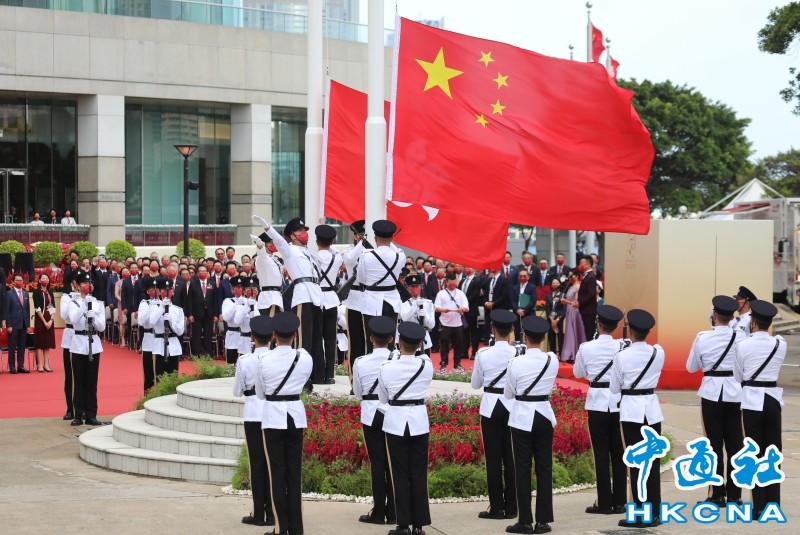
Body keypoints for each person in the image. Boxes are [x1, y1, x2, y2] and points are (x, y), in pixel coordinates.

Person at [254, 312, 313, 535]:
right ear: (295, 335)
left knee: (277, 473)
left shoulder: (264, 360)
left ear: (273, 335)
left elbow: (260, 394)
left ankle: (281, 527)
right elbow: (305, 380)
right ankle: (297, 528)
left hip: (273, 416)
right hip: (295, 415)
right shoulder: (305, 358)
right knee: (294, 473)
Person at [686, 295, 745, 507]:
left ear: (714, 315)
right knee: (736, 444)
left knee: (713, 445)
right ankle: (735, 495)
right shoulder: (741, 337)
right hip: (735, 393)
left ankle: (717, 494)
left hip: (711, 393)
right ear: (732, 317)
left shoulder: (702, 338)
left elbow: (691, 367)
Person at [377, 322, 434, 535]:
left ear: (399, 343)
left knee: (399, 474)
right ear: (419, 345)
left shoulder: (386, 367)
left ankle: (403, 524)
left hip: (396, 421)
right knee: (419, 474)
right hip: (418, 421)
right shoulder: (426, 365)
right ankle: (419, 525)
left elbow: (383, 398)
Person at [610, 309, 664, 529]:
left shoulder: (621, 356)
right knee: (653, 463)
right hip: (651, 410)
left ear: (630, 331)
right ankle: (655, 512)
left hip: (631, 411)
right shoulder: (658, 352)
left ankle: (640, 514)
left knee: (635, 464)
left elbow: (614, 388)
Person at [253, 214, 322, 388]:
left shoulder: (308, 252)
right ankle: (302, 380)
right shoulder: (289, 250)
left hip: (316, 295)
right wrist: (267, 227)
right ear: (292, 235)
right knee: (303, 341)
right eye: (300, 230)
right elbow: (279, 240)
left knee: (315, 340)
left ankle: (316, 376)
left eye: (305, 230)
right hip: (303, 295)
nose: (304, 233)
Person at [504, 315, 558, 535]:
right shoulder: (552, 360)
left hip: (522, 416)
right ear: (544, 338)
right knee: (544, 468)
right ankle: (543, 521)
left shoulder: (515, 362)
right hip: (544, 414)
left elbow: (509, 393)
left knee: (522, 468)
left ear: (524, 336)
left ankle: (525, 520)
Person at [733, 299, 787, 517]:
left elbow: (738, 376)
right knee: (773, 451)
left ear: (752, 321)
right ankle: (773, 502)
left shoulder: (743, 345)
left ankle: (758, 505)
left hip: (752, 400)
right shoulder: (780, 344)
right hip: (773, 399)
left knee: (754, 452)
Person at [573, 304, 627, 515]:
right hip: (619, 401)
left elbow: (578, 373)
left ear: (598, 323)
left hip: (597, 402)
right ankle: (620, 501)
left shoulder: (587, 347)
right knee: (619, 453)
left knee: (601, 454)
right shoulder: (623, 346)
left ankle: (604, 502)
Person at [471, 309, 518, 521]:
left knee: (493, 459)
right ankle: (513, 507)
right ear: (512, 330)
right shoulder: (518, 353)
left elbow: (475, 384)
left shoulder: (483, 354)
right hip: (512, 406)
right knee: (512, 458)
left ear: (493, 329)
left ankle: (496, 507)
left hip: (491, 406)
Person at [352, 316, 398, 526]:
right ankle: (394, 511)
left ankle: (378, 511)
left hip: (371, 414)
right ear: (391, 339)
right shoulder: (397, 359)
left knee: (378, 464)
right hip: (393, 412)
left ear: (371, 338)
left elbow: (358, 393)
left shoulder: (360, 362)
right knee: (394, 463)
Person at [232, 315, 274, 528]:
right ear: (272, 337)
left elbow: (237, 392)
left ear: (252, 337)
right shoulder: (276, 359)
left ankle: (259, 512)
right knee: (273, 464)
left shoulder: (244, 360)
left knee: (256, 464)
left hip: (252, 414)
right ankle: (273, 513)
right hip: (273, 414)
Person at [356, 220, 405, 350]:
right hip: (391, 302)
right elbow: (396, 250)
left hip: (371, 301)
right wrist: (390, 243)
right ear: (392, 237)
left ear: (374, 238)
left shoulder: (366, 255)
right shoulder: (400, 256)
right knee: (390, 340)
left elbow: (361, 279)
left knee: (371, 340)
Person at [66, 272, 106, 426]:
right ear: (78, 286)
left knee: (91, 381)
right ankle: (78, 414)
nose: (87, 286)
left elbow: (101, 327)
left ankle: (91, 415)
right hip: (78, 344)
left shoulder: (98, 303)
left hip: (93, 344)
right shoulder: (73, 302)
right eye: (84, 283)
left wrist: (93, 316)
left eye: (89, 283)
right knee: (79, 380)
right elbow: (73, 319)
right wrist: (84, 305)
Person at [340, 220, 371, 366]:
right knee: (355, 339)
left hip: (370, 297)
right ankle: (354, 373)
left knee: (370, 338)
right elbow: (350, 259)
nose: (362, 237)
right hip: (354, 299)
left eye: (365, 235)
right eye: (360, 235)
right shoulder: (349, 250)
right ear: (355, 236)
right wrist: (363, 243)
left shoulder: (373, 252)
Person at [315, 224, 343, 384]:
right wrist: (331, 245)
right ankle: (330, 374)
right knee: (331, 339)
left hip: (317, 298)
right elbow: (336, 251)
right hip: (331, 299)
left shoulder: (313, 257)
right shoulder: (337, 258)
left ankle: (319, 374)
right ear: (332, 241)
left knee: (317, 337)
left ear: (316, 241)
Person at [146, 277, 186, 376]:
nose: (166, 293)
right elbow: (151, 322)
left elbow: (180, 331)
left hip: (173, 346)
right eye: (163, 291)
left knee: (173, 377)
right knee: (159, 377)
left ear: (173, 292)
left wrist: (171, 321)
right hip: (159, 346)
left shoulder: (178, 310)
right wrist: (161, 308)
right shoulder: (154, 307)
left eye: (169, 290)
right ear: (159, 292)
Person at [434, 273, 469, 370]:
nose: (452, 286)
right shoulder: (441, 293)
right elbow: (436, 307)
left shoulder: (460, 293)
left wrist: (462, 309)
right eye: (450, 284)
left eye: (454, 284)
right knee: (444, 344)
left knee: (458, 344)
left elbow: (466, 307)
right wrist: (443, 310)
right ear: (446, 282)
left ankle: (457, 363)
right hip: (445, 323)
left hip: (458, 323)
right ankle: (444, 362)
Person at [398, 274, 435, 355]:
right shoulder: (403, 303)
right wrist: (415, 306)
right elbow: (405, 318)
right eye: (412, 286)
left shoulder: (428, 303)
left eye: (417, 286)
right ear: (408, 288)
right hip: (408, 339)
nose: (415, 289)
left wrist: (425, 316)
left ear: (421, 287)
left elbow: (432, 325)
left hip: (423, 340)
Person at [60, 271, 79, 420]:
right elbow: (64, 315)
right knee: (69, 375)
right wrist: (75, 300)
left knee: (81, 375)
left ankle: (81, 408)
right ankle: (70, 409)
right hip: (70, 334)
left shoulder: (87, 298)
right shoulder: (66, 297)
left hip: (82, 337)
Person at [3, 274, 31, 373]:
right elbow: (7, 311)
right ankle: (12, 367)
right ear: (13, 282)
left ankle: (21, 366)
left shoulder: (25, 294)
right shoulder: (9, 294)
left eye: (21, 280)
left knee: (22, 346)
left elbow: (27, 310)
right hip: (13, 325)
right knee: (12, 346)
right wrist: (8, 325)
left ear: (23, 282)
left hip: (23, 324)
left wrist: (28, 325)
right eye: (17, 280)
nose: (19, 282)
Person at [251, 232, 284, 317]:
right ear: (264, 245)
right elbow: (261, 253)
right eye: (271, 242)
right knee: (270, 324)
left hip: (277, 296)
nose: (274, 244)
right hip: (268, 299)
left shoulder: (273, 259)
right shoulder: (262, 258)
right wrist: (260, 245)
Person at [136, 277, 158, 393]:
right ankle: (147, 394)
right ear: (148, 291)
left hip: (160, 340)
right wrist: (151, 307)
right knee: (148, 372)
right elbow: (141, 321)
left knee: (159, 372)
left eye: (156, 289)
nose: (155, 291)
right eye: (152, 289)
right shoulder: (144, 304)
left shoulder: (163, 303)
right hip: (149, 340)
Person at [559, 270, 586, 362]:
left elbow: (576, 303)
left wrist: (565, 301)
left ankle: (575, 354)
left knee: (574, 331)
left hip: (575, 312)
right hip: (569, 311)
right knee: (569, 332)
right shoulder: (570, 286)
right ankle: (570, 353)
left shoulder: (578, 287)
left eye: (572, 276)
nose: (570, 278)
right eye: (569, 276)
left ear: (577, 276)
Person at [33, 272, 56, 372]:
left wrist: (51, 320)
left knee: (47, 342)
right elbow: (37, 307)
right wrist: (44, 322)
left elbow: (52, 307)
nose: (45, 280)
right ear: (39, 280)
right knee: (39, 341)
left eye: (47, 278)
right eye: (43, 278)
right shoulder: (36, 292)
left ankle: (46, 364)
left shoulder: (50, 292)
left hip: (49, 317)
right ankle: (40, 364)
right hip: (40, 318)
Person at [459, 267, 484, 360]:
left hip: (472, 310)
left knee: (474, 333)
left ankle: (474, 352)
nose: (467, 269)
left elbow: (475, 295)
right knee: (464, 332)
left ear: (474, 269)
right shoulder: (463, 280)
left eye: (469, 267)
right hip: (462, 311)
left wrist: (464, 303)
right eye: (465, 267)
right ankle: (464, 352)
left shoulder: (476, 281)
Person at [577, 255, 597, 340]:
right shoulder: (586, 275)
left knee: (589, 332)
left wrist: (580, 302)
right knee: (587, 332)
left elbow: (591, 294)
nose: (580, 265)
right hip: (586, 309)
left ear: (588, 264)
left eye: (581, 263)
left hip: (589, 310)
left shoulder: (591, 276)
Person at [545, 278, 566, 356]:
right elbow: (547, 308)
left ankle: (561, 355)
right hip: (551, 319)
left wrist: (557, 319)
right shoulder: (548, 296)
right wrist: (551, 319)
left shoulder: (563, 295)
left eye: (557, 283)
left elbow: (564, 309)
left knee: (560, 338)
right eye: (553, 283)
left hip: (560, 320)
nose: (555, 284)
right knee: (551, 338)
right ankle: (552, 354)